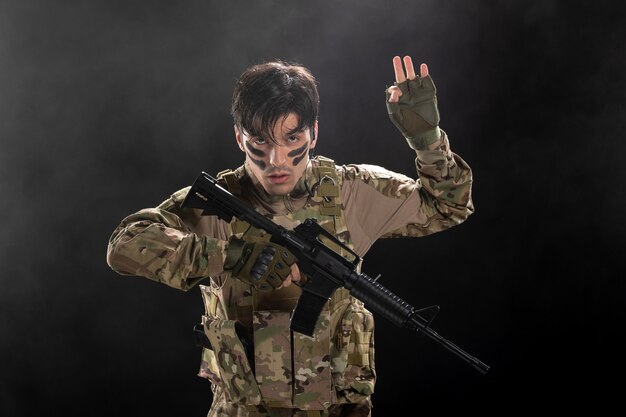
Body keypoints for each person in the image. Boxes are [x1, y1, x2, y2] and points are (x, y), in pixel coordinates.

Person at [106, 55, 474, 417]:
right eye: (260, 141)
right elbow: (125, 244)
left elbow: (447, 206)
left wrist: (427, 139)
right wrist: (233, 256)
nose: (276, 159)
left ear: (314, 134)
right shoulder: (220, 201)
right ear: (239, 137)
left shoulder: (352, 191)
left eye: (292, 137)